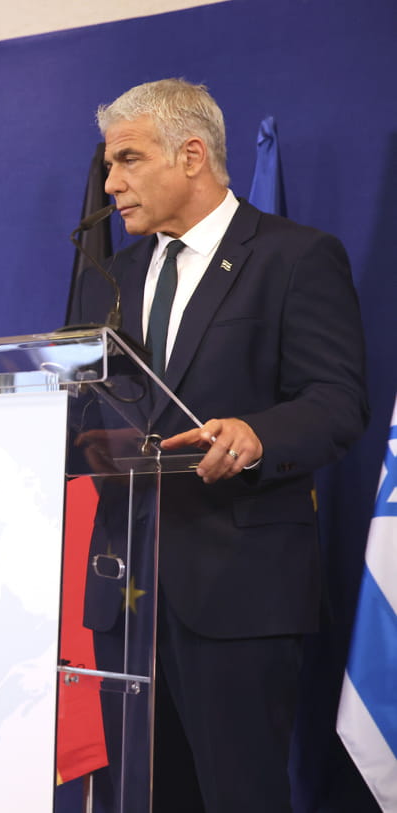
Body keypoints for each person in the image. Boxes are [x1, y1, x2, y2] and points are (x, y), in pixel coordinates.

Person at [71, 79, 368, 811]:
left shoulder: (294, 258)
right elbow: (87, 406)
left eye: (128, 160)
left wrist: (256, 433)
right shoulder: (111, 276)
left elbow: (337, 400)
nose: (110, 184)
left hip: (239, 592)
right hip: (124, 593)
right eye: (110, 165)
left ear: (193, 155)